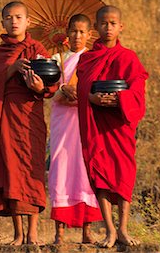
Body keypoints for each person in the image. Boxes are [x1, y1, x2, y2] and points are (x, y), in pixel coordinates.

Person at [0, 1, 58, 245]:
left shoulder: (37, 48)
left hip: (30, 114)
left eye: (19, 17)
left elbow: (52, 82)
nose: (14, 21)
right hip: (7, 113)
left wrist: (41, 87)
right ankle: (18, 233)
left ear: (28, 22)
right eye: (8, 17)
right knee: (11, 170)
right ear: (2, 23)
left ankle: (33, 232)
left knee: (31, 167)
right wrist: (13, 68)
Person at [76, 5, 149, 248]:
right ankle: (109, 230)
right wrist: (91, 98)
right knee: (100, 176)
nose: (108, 28)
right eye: (104, 24)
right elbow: (83, 88)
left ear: (121, 26)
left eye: (113, 23)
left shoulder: (128, 57)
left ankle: (123, 228)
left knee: (124, 173)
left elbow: (137, 90)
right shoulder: (87, 59)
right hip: (97, 124)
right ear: (95, 28)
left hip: (119, 124)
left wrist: (119, 99)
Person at [48, 14, 103, 245]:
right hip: (62, 119)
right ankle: (59, 232)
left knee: (83, 170)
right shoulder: (57, 58)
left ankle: (87, 230)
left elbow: (97, 88)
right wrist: (62, 90)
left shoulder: (92, 59)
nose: (77, 36)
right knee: (60, 168)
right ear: (67, 32)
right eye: (73, 31)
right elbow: (49, 90)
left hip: (84, 118)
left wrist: (79, 94)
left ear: (90, 35)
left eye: (82, 32)